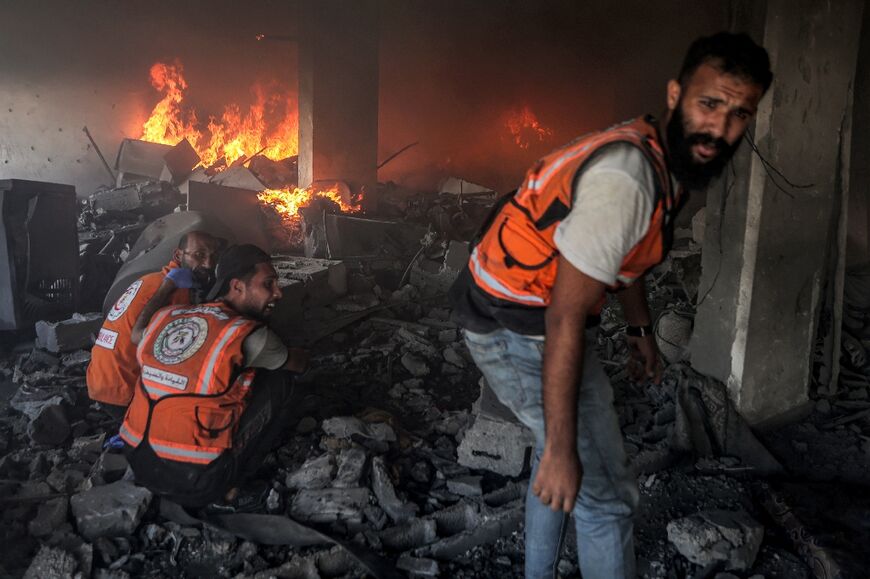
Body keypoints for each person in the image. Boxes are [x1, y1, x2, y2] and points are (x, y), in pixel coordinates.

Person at [449, 32, 771, 578]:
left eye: (740, 114)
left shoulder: (661, 158)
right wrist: (559, 447)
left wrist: (641, 329)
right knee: (604, 499)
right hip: (520, 324)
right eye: (709, 103)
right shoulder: (628, 180)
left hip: (513, 307)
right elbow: (564, 317)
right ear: (675, 94)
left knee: (571, 467)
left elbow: (619, 255)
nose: (719, 129)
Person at [119, 244, 309, 508]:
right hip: (198, 482)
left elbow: (137, 333)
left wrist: (166, 287)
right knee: (281, 380)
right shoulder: (247, 334)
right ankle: (233, 486)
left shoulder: (167, 315)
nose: (278, 292)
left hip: (139, 461)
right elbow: (298, 364)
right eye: (269, 284)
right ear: (237, 286)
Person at [87, 231, 221, 416]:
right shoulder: (175, 293)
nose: (208, 264)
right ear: (178, 255)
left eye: (213, 256)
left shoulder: (151, 279)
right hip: (122, 392)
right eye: (199, 255)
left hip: (100, 380)